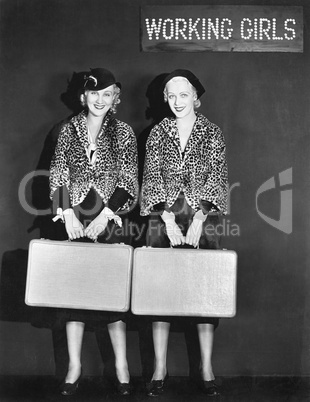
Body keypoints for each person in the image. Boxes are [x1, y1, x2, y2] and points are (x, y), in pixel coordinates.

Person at [49, 67, 138, 396]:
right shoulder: (67, 129)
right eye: (94, 93)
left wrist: (108, 214)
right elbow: (58, 172)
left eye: (107, 94)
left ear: (115, 97)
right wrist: (66, 212)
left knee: (112, 297)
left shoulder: (124, 133)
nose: (100, 100)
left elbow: (130, 180)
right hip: (74, 219)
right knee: (75, 296)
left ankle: (121, 366)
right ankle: (74, 366)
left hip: (110, 220)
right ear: (83, 96)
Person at [140, 69, 228, 397]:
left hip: (202, 219)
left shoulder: (212, 133)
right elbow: (150, 179)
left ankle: (206, 367)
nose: (177, 101)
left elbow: (218, 176)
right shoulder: (157, 133)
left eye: (184, 95)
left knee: (205, 293)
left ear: (196, 98)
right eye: (171, 96)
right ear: (165, 99)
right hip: (164, 219)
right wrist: (167, 219)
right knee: (159, 293)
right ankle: (160, 367)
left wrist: (200, 217)